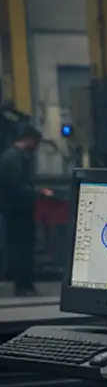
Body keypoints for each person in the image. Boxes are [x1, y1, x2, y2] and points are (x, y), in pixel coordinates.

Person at [0, 125, 40, 296]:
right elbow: (14, 187)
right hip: (17, 210)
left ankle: (24, 283)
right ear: (28, 139)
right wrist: (35, 193)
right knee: (20, 248)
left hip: (19, 209)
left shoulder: (18, 157)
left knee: (22, 247)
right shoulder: (12, 159)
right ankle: (22, 284)